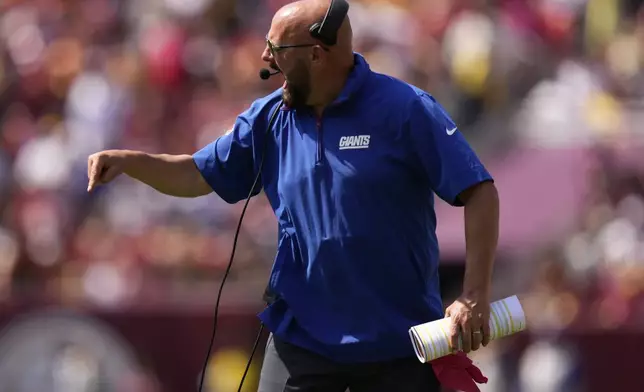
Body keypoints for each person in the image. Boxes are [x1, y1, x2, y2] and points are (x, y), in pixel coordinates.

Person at [86, 0, 500, 390]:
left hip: (397, 341)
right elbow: (196, 176)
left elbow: (479, 190)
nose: (265, 59)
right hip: (303, 340)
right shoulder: (268, 119)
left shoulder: (405, 109)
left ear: (317, 55)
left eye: (276, 48)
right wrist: (131, 161)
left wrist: (474, 294)